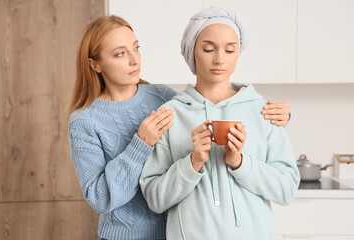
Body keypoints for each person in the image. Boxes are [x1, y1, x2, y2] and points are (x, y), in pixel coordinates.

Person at [67, 14, 291, 240]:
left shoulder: (161, 97)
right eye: (120, 54)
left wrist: (272, 113)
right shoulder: (85, 121)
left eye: (136, 48)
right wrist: (141, 144)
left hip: (173, 232)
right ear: (94, 64)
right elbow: (100, 198)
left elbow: (205, 104)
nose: (135, 60)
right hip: (126, 235)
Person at [139, 6, 300, 240]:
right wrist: (192, 163)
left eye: (229, 50)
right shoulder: (170, 114)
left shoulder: (263, 110)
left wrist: (240, 163)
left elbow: (287, 190)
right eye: (208, 48)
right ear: (192, 51)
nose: (219, 59)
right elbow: (155, 199)